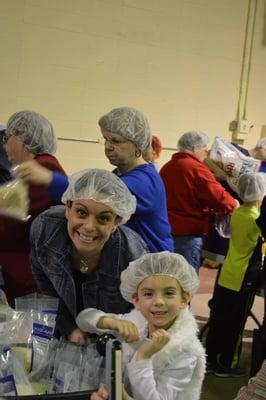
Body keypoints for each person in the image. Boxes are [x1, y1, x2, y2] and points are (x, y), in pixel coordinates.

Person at [18, 107, 174, 253]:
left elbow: (97, 193)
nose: (108, 146)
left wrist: (49, 178)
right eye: (106, 139)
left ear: (138, 145)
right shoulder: (119, 174)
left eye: (116, 141)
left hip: (151, 263)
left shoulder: (145, 181)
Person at [30, 168, 148, 343]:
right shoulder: (46, 231)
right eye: (81, 213)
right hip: (64, 336)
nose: (89, 226)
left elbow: (142, 313)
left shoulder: (132, 257)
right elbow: (45, 281)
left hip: (113, 346)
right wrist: (69, 327)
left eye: (104, 218)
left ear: (117, 222)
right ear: (68, 208)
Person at [77, 251, 206, 400]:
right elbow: (83, 318)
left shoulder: (185, 352)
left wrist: (143, 357)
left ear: (184, 299)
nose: (158, 301)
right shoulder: (136, 322)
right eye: (148, 294)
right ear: (136, 300)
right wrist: (110, 321)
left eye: (169, 293)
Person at [0, 110, 65, 305]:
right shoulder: (33, 169)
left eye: (7, 138)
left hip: (29, 280)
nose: (4, 145)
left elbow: (9, 225)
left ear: (24, 139)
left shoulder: (42, 169)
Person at [205, 172, 265, 377]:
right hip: (243, 276)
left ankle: (211, 358)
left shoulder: (238, 213)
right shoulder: (256, 220)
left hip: (227, 272)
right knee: (236, 323)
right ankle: (227, 363)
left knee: (219, 317)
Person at [160, 131, 238, 272]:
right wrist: (235, 204)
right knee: (186, 279)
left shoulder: (167, 167)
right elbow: (219, 198)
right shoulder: (196, 168)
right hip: (189, 233)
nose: (207, 152)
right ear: (195, 148)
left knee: (169, 274)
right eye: (204, 148)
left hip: (167, 229)